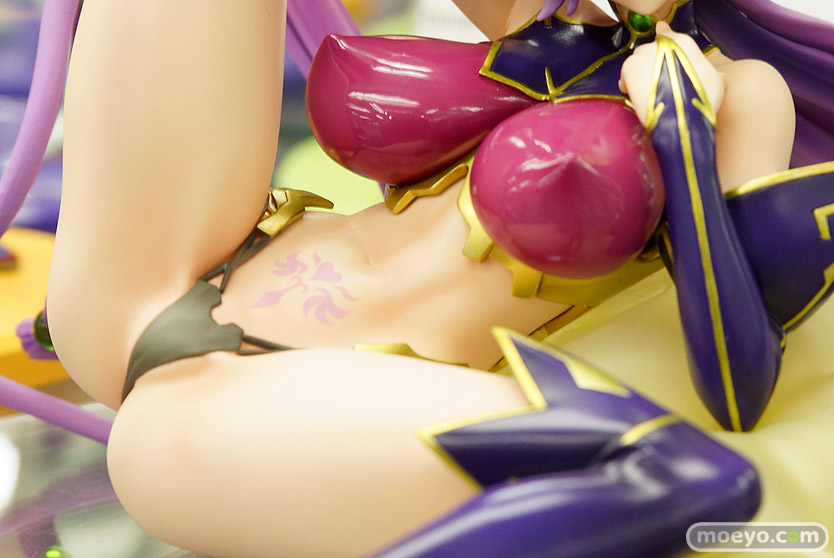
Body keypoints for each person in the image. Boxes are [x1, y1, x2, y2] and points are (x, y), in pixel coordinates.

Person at [1, 0, 833, 556]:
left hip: (275, 403)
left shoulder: (741, 95)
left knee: (683, 478)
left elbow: (739, 379)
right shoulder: (546, 20)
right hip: (166, 280)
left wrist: (680, 135)